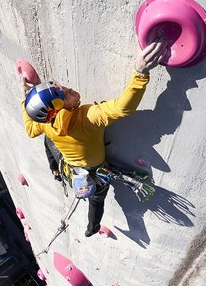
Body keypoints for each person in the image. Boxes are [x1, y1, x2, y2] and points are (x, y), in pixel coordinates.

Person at [22, 40, 166, 237]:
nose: (68, 88)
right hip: (95, 171)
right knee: (97, 198)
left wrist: (26, 98)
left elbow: (30, 129)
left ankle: (59, 176)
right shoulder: (88, 117)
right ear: (60, 108)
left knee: (49, 142)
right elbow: (123, 108)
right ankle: (93, 227)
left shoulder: (46, 123)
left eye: (61, 87)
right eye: (66, 94)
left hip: (73, 171)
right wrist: (140, 72)